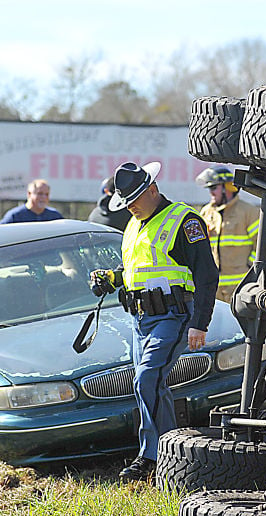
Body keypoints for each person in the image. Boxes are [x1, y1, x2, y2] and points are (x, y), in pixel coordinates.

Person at [88, 161, 218, 482]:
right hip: (140, 319)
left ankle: (150, 456)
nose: (130, 207)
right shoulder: (134, 223)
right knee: (153, 385)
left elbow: (207, 274)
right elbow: (140, 269)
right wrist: (112, 278)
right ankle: (174, 456)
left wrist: (199, 323)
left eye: (134, 199)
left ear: (152, 189)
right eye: (126, 202)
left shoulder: (184, 220)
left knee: (146, 379)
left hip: (173, 316)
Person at [196, 165, 259, 303]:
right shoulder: (206, 212)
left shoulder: (249, 212)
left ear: (227, 187)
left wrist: (250, 267)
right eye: (209, 189)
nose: (211, 193)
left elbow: (261, 245)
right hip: (213, 287)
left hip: (240, 287)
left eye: (214, 188)